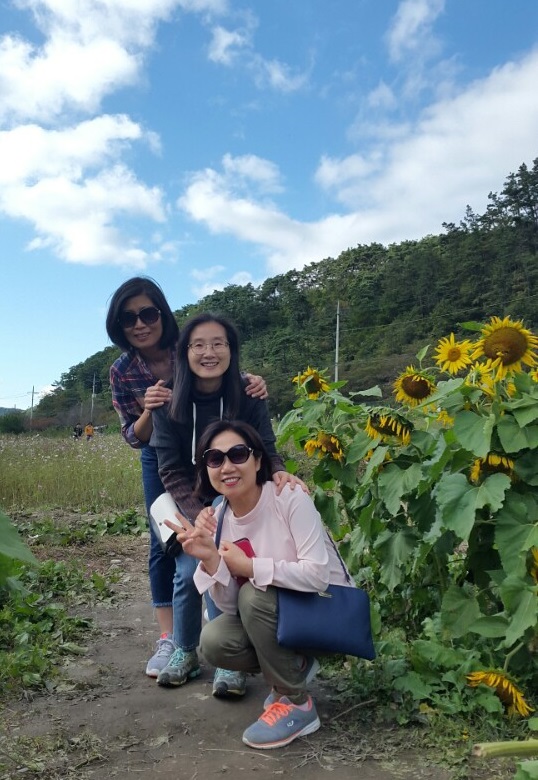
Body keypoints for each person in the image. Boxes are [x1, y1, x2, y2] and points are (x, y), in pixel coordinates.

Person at [106, 278, 267, 680]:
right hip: (164, 456)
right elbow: (133, 435)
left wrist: (253, 383)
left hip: (217, 465)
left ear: (161, 313)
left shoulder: (192, 345)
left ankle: (225, 648)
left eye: (147, 313)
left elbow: (218, 364)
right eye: (129, 318)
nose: (140, 324)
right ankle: (174, 641)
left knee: (220, 548)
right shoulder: (124, 371)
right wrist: (149, 409)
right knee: (169, 545)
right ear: (119, 325)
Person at [165, 420, 353, 750]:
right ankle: (294, 666)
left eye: (238, 454)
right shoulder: (220, 515)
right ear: (206, 468)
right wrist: (211, 559)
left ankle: (296, 704)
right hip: (282, 620)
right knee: (214, 640)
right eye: (214, 458)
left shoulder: (287, 497)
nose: (227, 466)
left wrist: (250, 566)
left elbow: (318, 576)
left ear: (257, 461)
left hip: (328, 616)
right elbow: (228, 608)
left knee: (254, 593)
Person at [151, 312, 307, 695]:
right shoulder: (167, 399)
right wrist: (198, 520)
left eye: (218, 343)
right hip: (189, 503)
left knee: (231, 567)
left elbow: (267, 449)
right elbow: (170, 470)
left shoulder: (248, 393)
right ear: (184, 353)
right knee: (189, 572)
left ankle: (228, 662)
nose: (209, 352)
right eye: (198, 345)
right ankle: (185, 651)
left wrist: (281, 472)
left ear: (232, 350)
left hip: (238, 500)